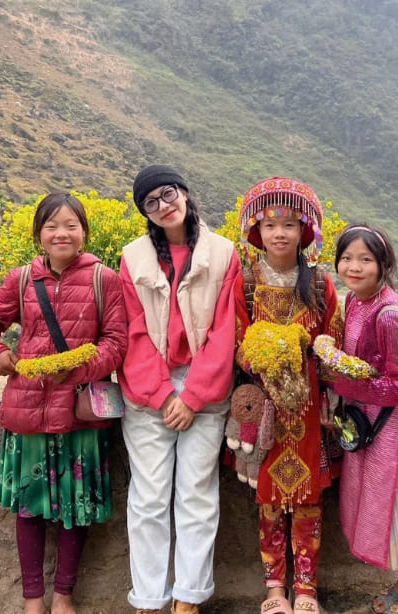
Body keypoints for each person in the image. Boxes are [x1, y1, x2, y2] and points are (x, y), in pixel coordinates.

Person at [0, 192, 128, 614]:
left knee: (76, 510)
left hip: (79, 412)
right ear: (39, 234)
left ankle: (64, 597)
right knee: (29, 509)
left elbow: (116, 342)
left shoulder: (104, 279)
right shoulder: (22, 279)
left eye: (71, 225)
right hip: (28, 412)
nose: (62, 233)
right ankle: (32, 600)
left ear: (84, 233)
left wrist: (75, 370)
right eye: (52, 226)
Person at [118, 165, 241, 614]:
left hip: (204, 392)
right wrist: (163, 394)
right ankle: (149, 599)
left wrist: (192, 396)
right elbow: (131, 332)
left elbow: (225, 331)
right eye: (151, 202)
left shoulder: (224, 254)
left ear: (185, 193)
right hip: (150, 392)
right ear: (146, 214)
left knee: (196, 494)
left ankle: (188, 597)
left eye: (168, 193)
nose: (163, 205)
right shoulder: (133, 259)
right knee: (148, 498)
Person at [234, 177, 343, 614]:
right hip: (263, 406)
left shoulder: (319, 284)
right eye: (270, 223)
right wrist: (262, 353)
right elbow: (236, 339)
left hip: (308, 407)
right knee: (268, 500)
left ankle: (306, 590)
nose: (280, 233)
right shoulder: (244, 281)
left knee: (308, 500)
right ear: (255, 232)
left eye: (290, 224)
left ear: (305, 232)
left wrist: (314, 351)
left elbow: (332, 336)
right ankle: (275, 588)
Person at [330, 224, 398, 614]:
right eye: (346, 258)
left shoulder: (392, 314)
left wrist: (344, 381)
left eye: (365, 260)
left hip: (390, 431)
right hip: (366, 425)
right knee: (388, 511)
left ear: (383, 265)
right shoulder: (354, 302)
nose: (353, 267)